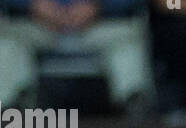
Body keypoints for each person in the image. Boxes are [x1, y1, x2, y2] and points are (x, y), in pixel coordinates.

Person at [0, 0, 155, 113]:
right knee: (8, 42)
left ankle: (135, 105)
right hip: (35, 23)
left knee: (127, 42)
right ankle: (11, 110)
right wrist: (30, 5)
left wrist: (99, 6)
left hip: (100, 24)